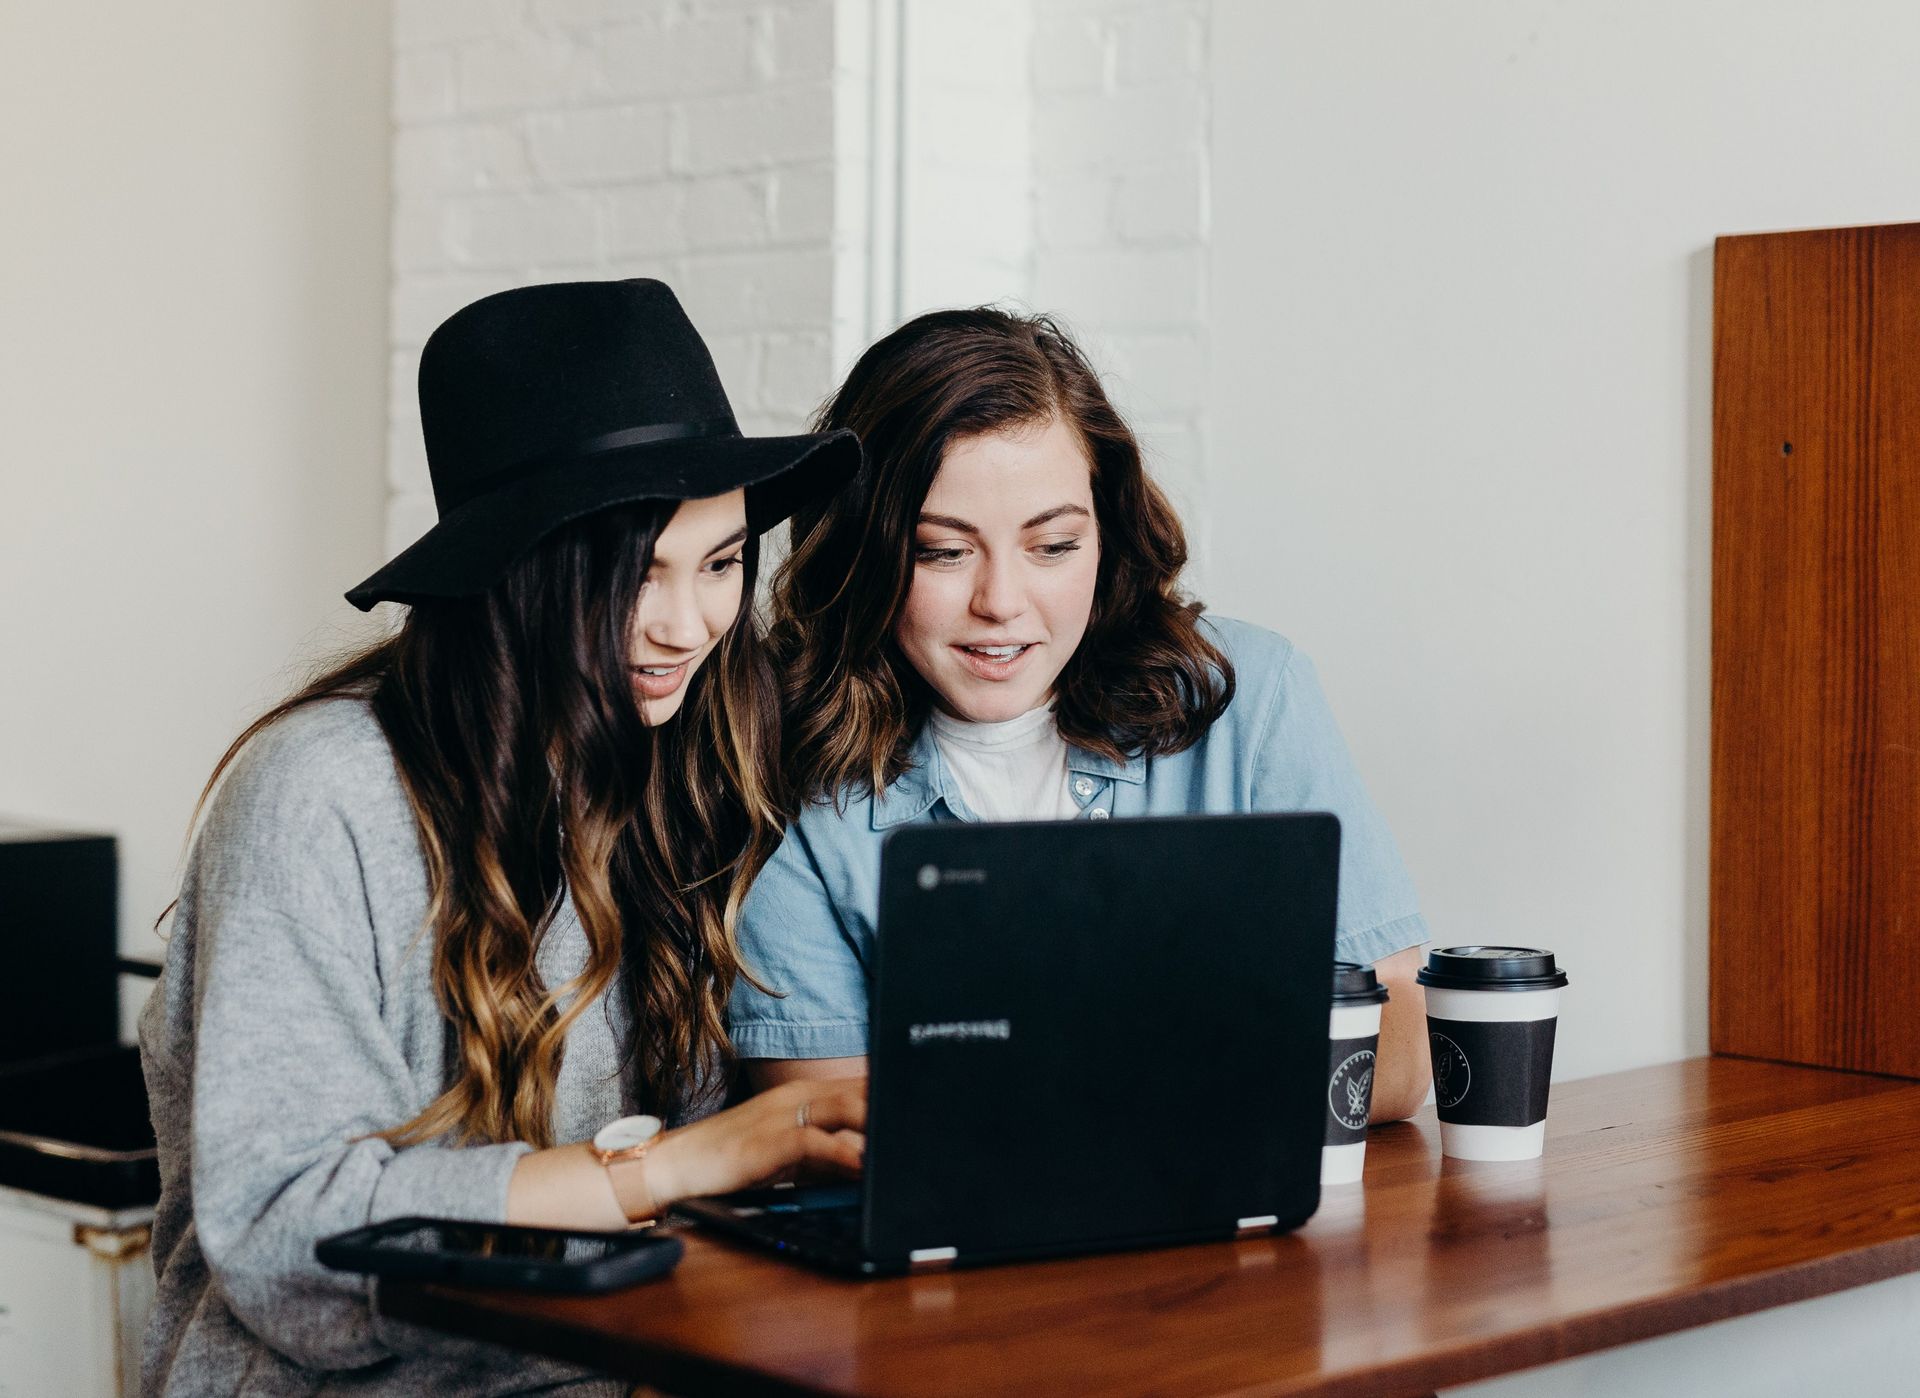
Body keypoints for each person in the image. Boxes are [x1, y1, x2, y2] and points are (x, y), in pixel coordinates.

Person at [138, 280, 866, 1396]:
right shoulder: (322, 793)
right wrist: (668, 1167)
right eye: (635, 574)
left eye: (720, 563)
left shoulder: (686, 766)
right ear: (519, 571)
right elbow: (288, 1239)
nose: (687, 625)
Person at [730, 307, 1433, 1121]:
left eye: (1053, 546)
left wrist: (1034, 1085)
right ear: (864, 552)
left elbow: (1396, 1056)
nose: (1001, 603)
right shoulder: (784, 766)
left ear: (1107, 533)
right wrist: (1203, 1055)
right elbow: (823, 1127)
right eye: (943, 551)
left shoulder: (1249, 696)